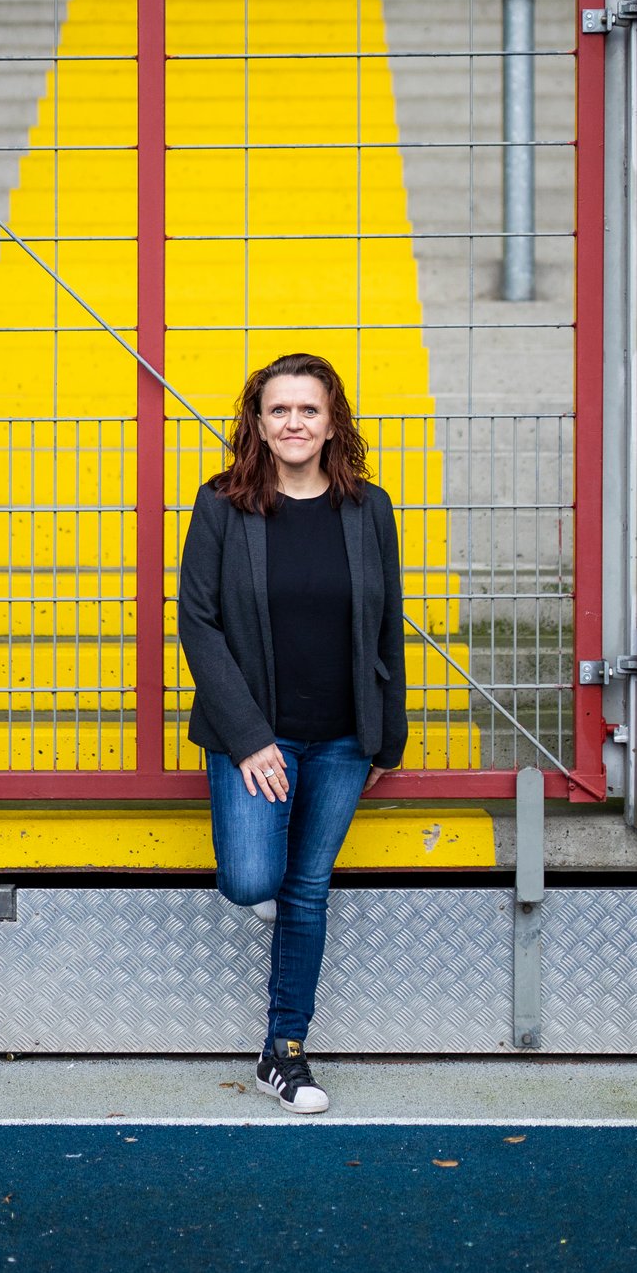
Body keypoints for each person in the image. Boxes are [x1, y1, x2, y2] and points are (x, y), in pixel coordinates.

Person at [177, 351, 407, 1114]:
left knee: (307, 892)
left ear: (332, 420)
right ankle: (270, 901)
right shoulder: (221, 505)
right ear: (258, 423)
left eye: (308, 409)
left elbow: (385, 627)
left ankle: (284, 1053)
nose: (294, 422)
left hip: (342, 738)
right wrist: (248, 738)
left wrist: (387, 738)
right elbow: (199, 626)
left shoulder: (367, 509)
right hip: (255, 739)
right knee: (251, 880)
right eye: (279, 410)